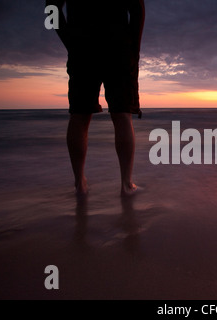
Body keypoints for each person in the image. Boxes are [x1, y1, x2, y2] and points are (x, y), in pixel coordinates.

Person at [46, 0, 145, 197]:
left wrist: (70, 41)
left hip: (82, 46)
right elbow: (137, 9)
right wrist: (134, 49)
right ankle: (126, 184)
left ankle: (79, 183)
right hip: (118, 46)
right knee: (122, 114)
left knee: (79, 115)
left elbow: (51, 7)